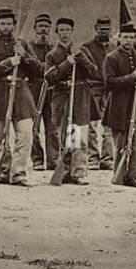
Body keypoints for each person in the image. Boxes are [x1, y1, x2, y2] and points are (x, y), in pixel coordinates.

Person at [0, 8, 39, 186]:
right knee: (0, 138)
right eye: (2, 23)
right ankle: (4, 170)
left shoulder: (22, 44)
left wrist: (25, 56)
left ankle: (18, 173)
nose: (6, 27)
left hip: (21, 92)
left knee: (26, 134)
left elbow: (38, 70)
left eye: (9, 23)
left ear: (14, 25)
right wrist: (7, 63)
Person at [44, 16, 97, 185]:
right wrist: (67, 62)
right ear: (57, 33)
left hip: (80, 96)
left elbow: (93, 71)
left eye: (68, 30)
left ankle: (79, 171)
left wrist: (79, 57)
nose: (65, 34)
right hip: (62, 98)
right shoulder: (52, 55)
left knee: (79, 135)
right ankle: (65, 170)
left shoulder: (82, 51)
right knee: (65, 135)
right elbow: (49, 77)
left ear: (72, 32)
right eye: (61, 30)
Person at [103, 22, 136, 188]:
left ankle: (134, 176)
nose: (128, 40)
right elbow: (109, 82)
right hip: (119, 106)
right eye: (125, 37)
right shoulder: (111, 58)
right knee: (122, 143)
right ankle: (119, 174)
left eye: (131, 37)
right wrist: (131, 78)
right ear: (119, 38)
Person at [82, 16, 115, 170]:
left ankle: (107, 159)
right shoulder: (86, 47)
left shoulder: (114, 48)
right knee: (91, 125)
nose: (104, 31)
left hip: (110, 89)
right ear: (96, 29)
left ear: (111, 30)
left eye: (107, 29)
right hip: (93, 88)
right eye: (101, 29)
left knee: (109, 125)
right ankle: (92, 158)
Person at [25, 13, 54, 171]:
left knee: (52, 126)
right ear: (35, 28)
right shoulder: (28, 47)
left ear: (50, 29)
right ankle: (37, 159)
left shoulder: (54, 48)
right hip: (33, 88)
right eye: (40, 26)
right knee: (33, 126)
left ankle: (53, 159)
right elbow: (31, 67)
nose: (43, 29)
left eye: (46, 27)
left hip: (51, 89)